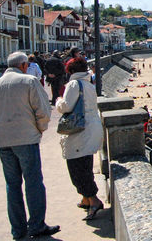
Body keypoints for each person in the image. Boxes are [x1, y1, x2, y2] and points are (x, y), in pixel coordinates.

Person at [0, 51, 60, 240]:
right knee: (33, 183)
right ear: (24, 65)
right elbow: (42, 111)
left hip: (3, 143)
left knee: (12, 185)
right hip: (26, 140)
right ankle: (36, 225)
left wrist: (1, 133)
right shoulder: (29, 82)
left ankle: (18, 230)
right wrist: (39, 130)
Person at [56, 57, 104, 221]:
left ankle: (94, 200)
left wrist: (58, 102)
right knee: (85, 165)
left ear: (70, 71)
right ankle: (86, 199)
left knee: (77, 168)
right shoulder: (89, 84)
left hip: (80, 131)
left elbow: (66, 106)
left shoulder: (74, 84)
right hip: (91, 128)